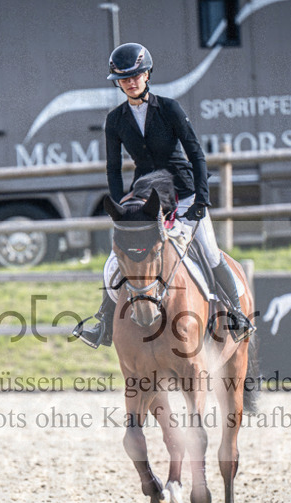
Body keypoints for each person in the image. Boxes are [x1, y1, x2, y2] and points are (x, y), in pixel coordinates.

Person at [75, 42, 255, 349]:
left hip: (183, 194)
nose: (131, 82)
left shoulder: (169, 108)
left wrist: (201, 199)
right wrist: (120, 209)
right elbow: (113, 167)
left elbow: (196, 153)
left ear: (147, 75)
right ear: (118, 82)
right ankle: (104, 325)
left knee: (210, 253)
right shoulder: (115, 120)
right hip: (145, 201)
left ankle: (237, 315)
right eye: (124, 78)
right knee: (112, 263)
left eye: (137, 75)